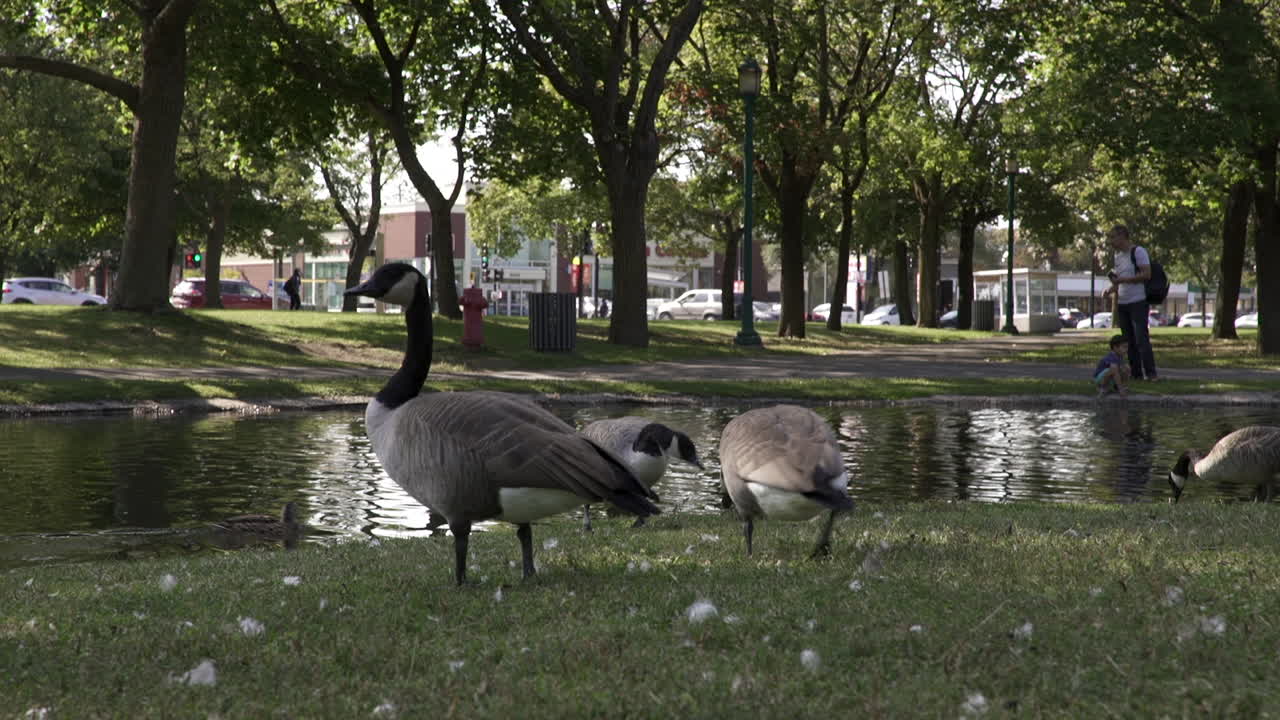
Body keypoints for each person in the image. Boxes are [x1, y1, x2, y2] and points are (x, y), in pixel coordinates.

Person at [1101, 224, 1158, 381]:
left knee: (1141, 339)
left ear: (1122, 236)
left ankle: (1151, 373)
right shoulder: (1117, 257)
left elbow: (1147, 274)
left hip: (1138, 301)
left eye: (1113, 237)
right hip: (1123, 303)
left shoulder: (1138, 252)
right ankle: (1136, 373)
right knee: (1128, 341)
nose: (1111, 241)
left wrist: (1124, 280)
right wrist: (1111, 289)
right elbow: (1119, 280)